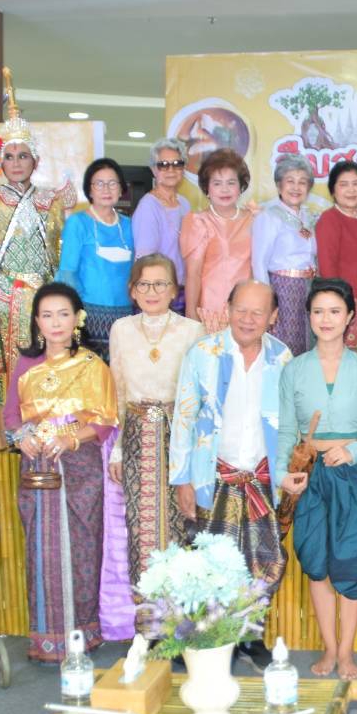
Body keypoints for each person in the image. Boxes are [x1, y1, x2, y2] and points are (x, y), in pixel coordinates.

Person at [170, 280, 302, 671]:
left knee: (262, 561)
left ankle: (248, 636)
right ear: (227, 309)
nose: (248, 319)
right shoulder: (203, 353)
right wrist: (182, 479)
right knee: (209, 561)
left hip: (261, 476)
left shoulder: (283, 358)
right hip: (214, 474)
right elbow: (184, 418)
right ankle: (205, 640)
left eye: (258, 312)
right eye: (240, 309)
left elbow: (290, 421)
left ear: (273, 317)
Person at [4, 284, 118, 662]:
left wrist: (69, 440)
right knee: (42, 549)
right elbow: (10, 418)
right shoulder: (24, 365)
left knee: (83, 545)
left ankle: (85, 633)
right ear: (37, 321)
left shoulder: (92, 364)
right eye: (47, 315)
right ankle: (46, 639)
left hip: (80, 463)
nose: (56, 323)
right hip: (38, 464)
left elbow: (104, 421)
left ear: (77, 319)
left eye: (63, 314)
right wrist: (24, 437)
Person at [0, 70, 76, 413]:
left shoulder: (49, 201)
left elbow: (59, 252)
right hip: (1, 297)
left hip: (43, 300)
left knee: (43, 367)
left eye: (22, 156)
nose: (16, 163)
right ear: (1, 162)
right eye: (9, 157)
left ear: (34, 161)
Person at [102, 255, 204, 640]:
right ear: (132, 291)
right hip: (137, 436)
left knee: (180, 529)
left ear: (175, 291)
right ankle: (150, 632)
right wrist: (117, 450)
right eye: (144, 285)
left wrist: (194, 452)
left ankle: (181, 631)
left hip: (179, 435)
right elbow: (118, 388)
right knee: (143, 532)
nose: (152, 292)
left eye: (161, 284)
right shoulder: (121, 329)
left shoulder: (192, 330)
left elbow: (198, 393)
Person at [277, 279, 357, 680]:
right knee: (315, 559)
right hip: (311, 475)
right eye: (318, 311)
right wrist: (285, 472)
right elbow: (285, 428)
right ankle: (329, 649)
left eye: (335, 311)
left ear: (350, 316)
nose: (326, 319)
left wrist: (356, 449)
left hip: (353, 471)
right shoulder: (294, 369)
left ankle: (348, 651)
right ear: (308, 317)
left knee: (352, 559)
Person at [59, 158, 135, 354]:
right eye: (99, 183)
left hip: (125, 314)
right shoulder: (78, 223)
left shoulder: (129, 224)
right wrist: (74, 314)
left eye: (112, 183)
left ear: (121, 189)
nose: (106, 189)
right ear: (89, 189)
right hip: (88, 314)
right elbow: (67, 272)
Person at [180, 148, 254, 334]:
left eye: (231, 183)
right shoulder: (198, 221)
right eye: (217, 183)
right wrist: (191, 315)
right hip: (209, 311)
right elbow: (193, 274)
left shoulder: (253, 220)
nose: (225, 189)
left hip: (246, 310)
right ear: (207, 188)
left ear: (241, 186)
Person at [252, 153, 319, 356]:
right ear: (279, 185)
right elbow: (258, 262)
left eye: (302, 182)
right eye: (290, 181)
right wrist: (267, 302)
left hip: (307, 288)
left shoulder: (309, 216)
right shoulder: (269, 216)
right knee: (284, 345)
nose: (296, 188)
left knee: (308, 342)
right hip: (282, 289)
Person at [314, 160, 357, 350]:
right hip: (344, 301)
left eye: (356, 184)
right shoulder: (329, 219)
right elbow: (327, 267)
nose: (351, 190)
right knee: (344, 355)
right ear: (333, 190)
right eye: (344, 184)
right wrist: (338, 303)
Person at [131, 138, 192, 311]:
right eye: (163, 164)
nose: (171, 170)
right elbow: (145, 261)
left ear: (184, 168)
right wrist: (158, 292)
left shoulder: (184, 204)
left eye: (177, 164)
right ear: (153, 169)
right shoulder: (148, 206)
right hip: (156, 293)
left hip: (181, 291)